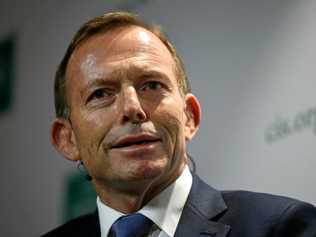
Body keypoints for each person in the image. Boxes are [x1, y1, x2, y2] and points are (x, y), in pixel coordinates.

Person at [43, 11, 316, 237]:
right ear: (68, 140)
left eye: (151, 85)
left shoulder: (284, 227)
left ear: (189, 116)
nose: (132, 109)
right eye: (100, 94)